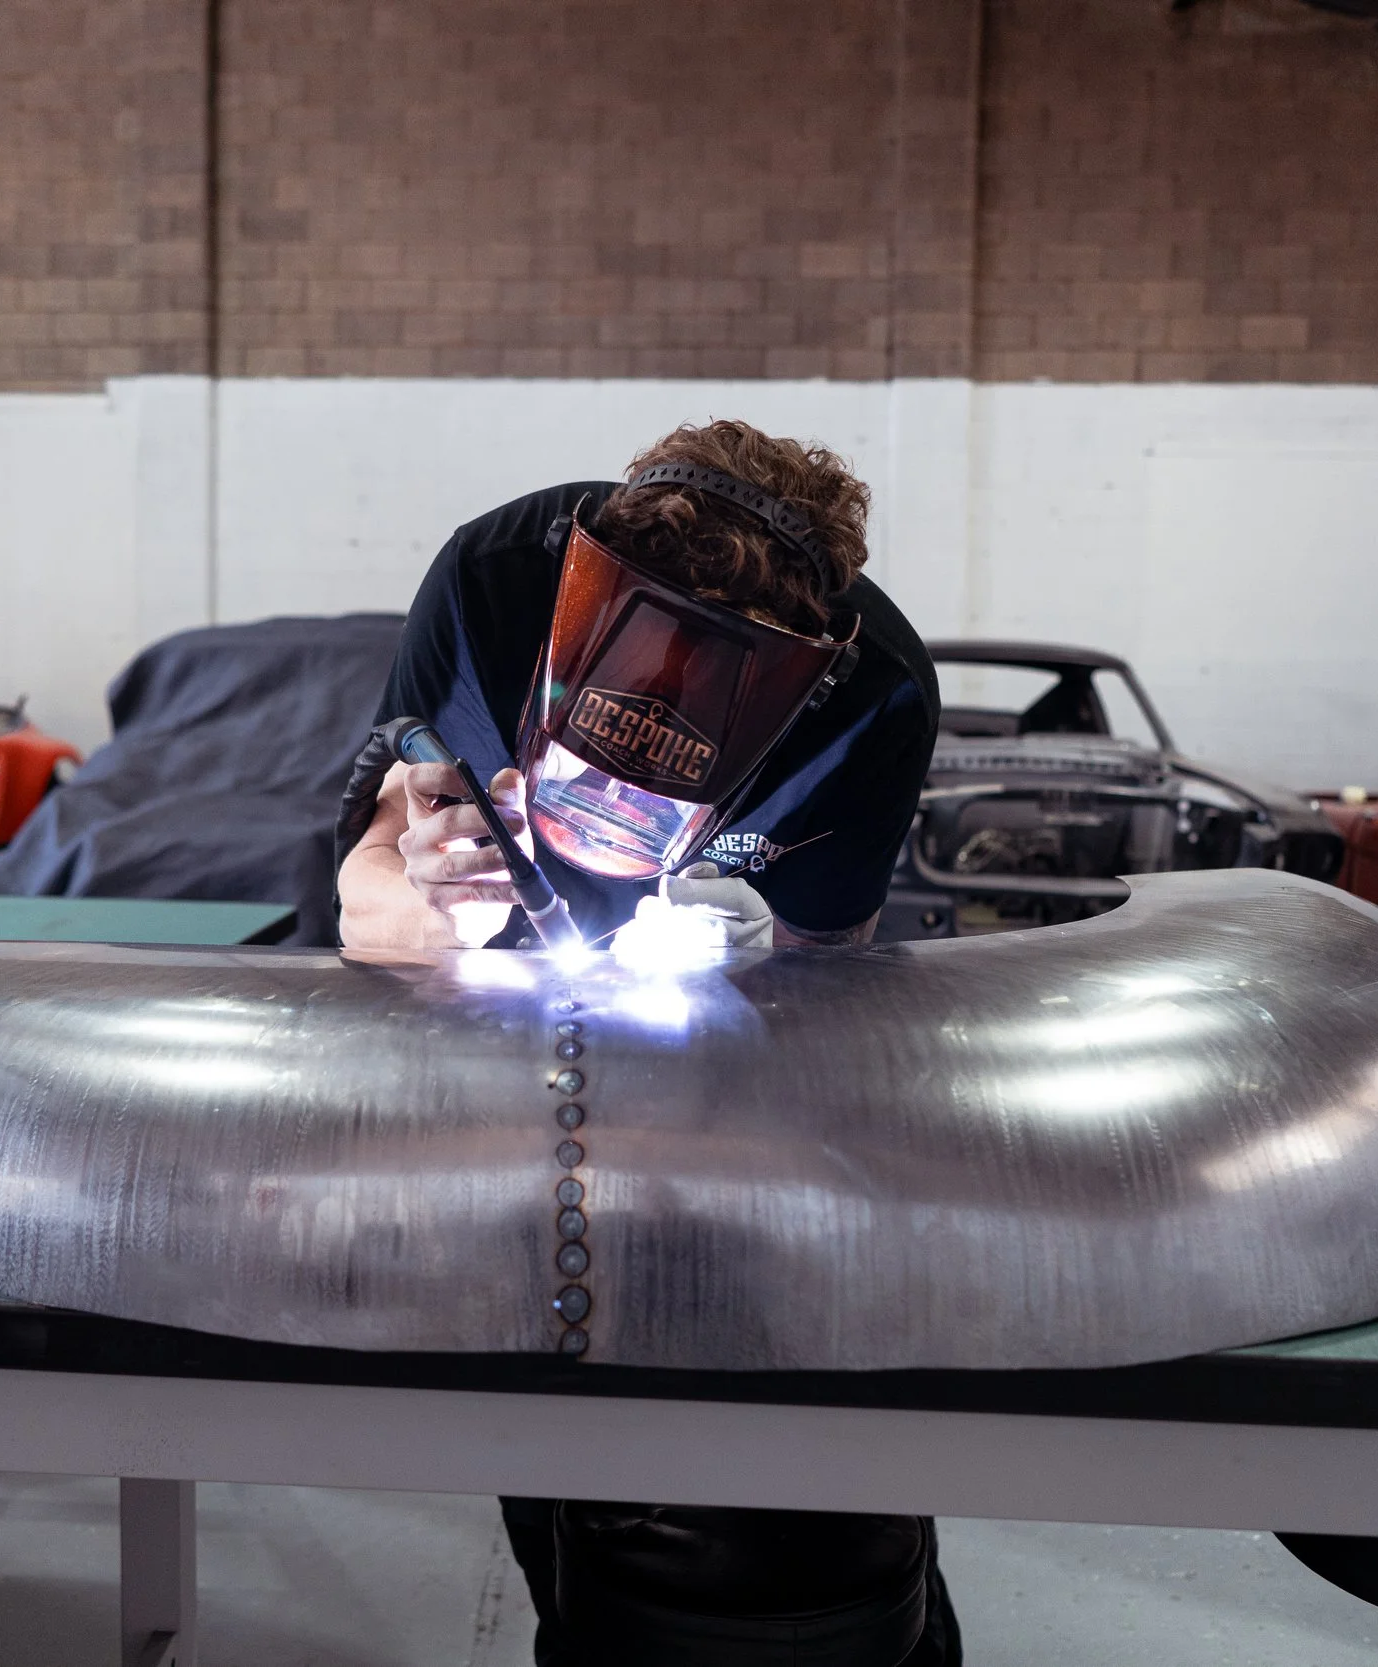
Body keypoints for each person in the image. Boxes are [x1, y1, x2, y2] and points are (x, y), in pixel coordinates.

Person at [335, 420, 956, 1666]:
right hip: (498, 999)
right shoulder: (497, 580)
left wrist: (749, 970)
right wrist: (436, 907)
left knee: (807, 1492)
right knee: (554, 1375)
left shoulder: (872, 699)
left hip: (710, 1039)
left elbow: (828, 995)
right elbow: (367, 892)